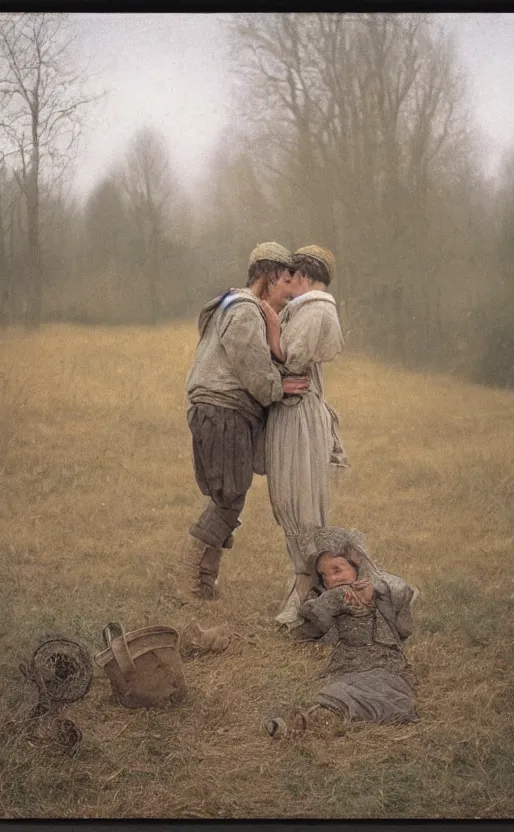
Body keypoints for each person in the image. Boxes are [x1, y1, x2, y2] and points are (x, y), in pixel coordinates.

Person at [184, 242, 309, 600]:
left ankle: (202, 582)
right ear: (269, 277)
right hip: (224, 411)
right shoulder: (244, 311)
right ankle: (190, 580)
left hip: (220, 411)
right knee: (229, 497)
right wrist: (279, 386)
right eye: (288, 280)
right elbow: (251, 368)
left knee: (230, 496)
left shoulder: (231, 303)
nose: (292, 292)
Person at [261, 245, 349, 629]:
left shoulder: (316, 309)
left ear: (304, 277)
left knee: (302, 501)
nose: (288, 281)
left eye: (292, 274)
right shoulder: (306, 309)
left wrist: (273, 327)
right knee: (288, 501)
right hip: (289, 412)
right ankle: (306, 581)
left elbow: (292, 360)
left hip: (300, 416)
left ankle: (308, 585)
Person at [268, 526, 419, 730]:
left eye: (337, 570)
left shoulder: (382, 590)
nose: (331, 580)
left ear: (356, 566)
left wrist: (371, 600)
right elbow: (309, 628)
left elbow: (403, 625)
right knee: (334, 690)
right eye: (324, 575)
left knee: (386, 693)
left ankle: (319, 720)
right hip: (347, 669)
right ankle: (311, 721)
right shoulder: (326, 599)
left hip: (386, 668)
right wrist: (334, 599)